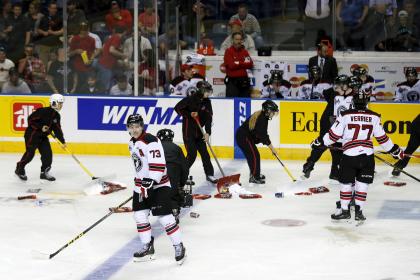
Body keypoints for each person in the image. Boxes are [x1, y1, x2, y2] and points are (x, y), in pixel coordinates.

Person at [320, 85, 404, 222]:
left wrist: (322, 141)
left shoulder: (345, 115)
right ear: (366, 101)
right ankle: (359, 212)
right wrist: (396, 151)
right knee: (362, 185)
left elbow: (333, 136)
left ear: (353, 101)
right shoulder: (375, 116)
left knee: (346, 184)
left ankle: (345, 211)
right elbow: (383, 139)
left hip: (349, 156)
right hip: (367, 157)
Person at [126, 114, 186, 264]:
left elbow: (158, 165)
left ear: (142, 126)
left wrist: (151, 180)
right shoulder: (132, 143)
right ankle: (147, 247)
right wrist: (139, 182)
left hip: (159, 186)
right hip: (141, 187)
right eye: (132, 127)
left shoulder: (151, 141)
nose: (135, 129)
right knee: (139, 216)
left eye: (137, 126)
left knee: (165, 218)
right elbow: (139, 166)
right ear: (128, 128)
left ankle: (179, 246)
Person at [302, 75, 359, 180]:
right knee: (322, 144)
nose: (336, 88)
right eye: (336, 86)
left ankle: (334, 172)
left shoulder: (355, 98)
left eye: (338, 86)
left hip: (341, 127)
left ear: (346, 86)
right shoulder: (334, 94)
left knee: (337, 150)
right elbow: (326, 92)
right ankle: (309, 165)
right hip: (328, 123)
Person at [174, 81, 217, 184]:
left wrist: (207, 133)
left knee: (205, 154)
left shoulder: (207, 102)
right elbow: (177, 108)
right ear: (201, 90)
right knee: (192, 155)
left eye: (209, 91)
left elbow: (208, 118)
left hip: (200, 132)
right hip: (189, 132)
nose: (208, 93)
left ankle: (209, 174)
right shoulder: (190, 99)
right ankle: (181, 176)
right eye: (207, 91)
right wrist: (189, 114)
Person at [15, 94, 65, 181]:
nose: (61, 105)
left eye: (61, 103)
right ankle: (19, 168)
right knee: (30, 154)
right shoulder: (43, 111)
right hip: (32, 135)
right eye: (60, 103)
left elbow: (57, 129)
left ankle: (44, 173)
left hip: (43, 137)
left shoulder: (56, 116)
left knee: (47, 154)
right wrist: (40, 126)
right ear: (54, 103)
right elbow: (30, 119)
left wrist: (62, 142)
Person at [235, 100, 279, 184]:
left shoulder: (263, 116)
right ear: (268, 110)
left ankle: (255, 174)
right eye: (273, 112)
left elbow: (261, 134)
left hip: (245, 137)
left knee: (253, 156)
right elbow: (264, 136)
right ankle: (254, 177)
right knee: (255, 156)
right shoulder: (262, 119)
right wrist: (272, 149)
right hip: (244, 138)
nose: (273, 114)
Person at [156, 128, 189, 222]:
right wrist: (182, 183)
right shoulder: (177, 148)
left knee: (159, 192)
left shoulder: (155, 148)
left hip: (159, 175)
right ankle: (174, 209)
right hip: (173, 175)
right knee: (174, 193)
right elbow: (185, 168)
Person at [223, 31, 253, 98]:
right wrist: (243, 63)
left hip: (244, 82)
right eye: (236, 39)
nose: (238, 41)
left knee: (246, 103)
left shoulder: (244, 51)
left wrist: (238, 63)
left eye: (240, 39)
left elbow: (250, 64)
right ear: (233, 40)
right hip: (233, 82)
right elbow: (231, 66)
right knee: (231, 103)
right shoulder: (228, 51)